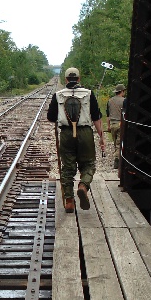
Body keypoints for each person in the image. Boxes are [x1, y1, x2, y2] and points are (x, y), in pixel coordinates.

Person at [47, 67, 105, 211]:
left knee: (67, 167)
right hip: (85, 132)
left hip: (66, 134)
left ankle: (69, 201)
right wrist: (101, 137)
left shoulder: (58, 95)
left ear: (66, 79)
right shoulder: (88, 94)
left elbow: (51, 117)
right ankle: (83, 186)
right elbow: (96, 118)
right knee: (89, 164)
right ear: (79, 79)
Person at [106, 84, 125, 169]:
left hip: (113, 124)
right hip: (121, 124)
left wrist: (108, 126)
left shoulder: (110, 101)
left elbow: (108, 115)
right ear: (122, 91)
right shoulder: (125, 101)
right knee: (119, 144)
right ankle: (117, 159)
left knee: (115, 143)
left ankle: (117, 158)